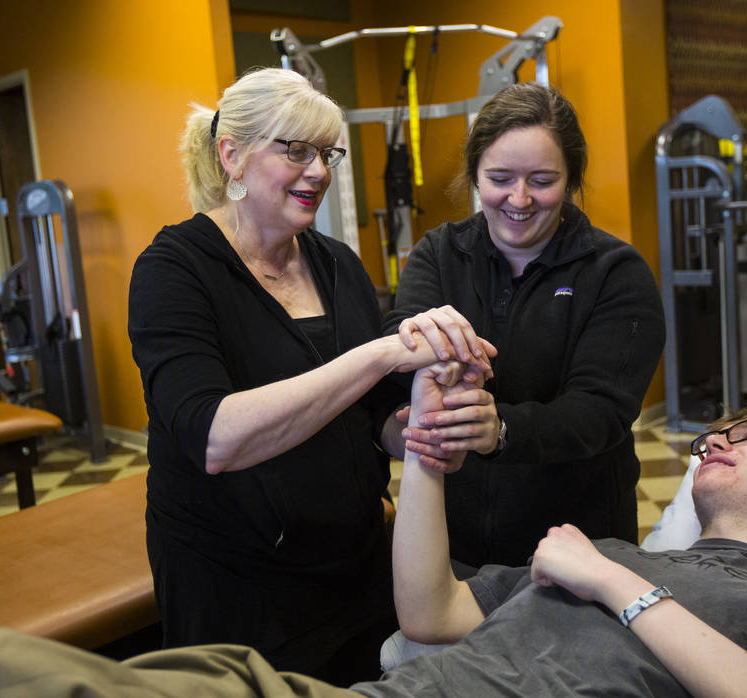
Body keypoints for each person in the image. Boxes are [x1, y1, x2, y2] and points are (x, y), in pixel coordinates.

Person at [0, 395, 747, 696]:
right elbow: (429, 613)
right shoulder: (594, 548)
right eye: (719, 427)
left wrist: (615, 582)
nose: (719, 436)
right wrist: (427, 448)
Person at [126, 67, 492, 684]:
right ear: (231, 156)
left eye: (327, 153)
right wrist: (381, 353)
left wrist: (424, 429)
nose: (319, 171)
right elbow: (214, 438)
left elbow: (371, 414)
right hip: (238, 587)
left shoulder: (336, 264)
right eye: (296, 150)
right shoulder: (174, 270)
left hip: (355, 566)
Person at [383, 81, 666, 569]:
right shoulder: (438, 253)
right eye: (499, 177)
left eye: (541, 180)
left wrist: (502, 428)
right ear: (475, 175)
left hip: (577, 544)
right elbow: (399, 343)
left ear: (572, 179)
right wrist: (421, 351)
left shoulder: (616, 272)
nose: (519, 198)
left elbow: (600, 411)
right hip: (454, 538)